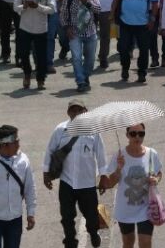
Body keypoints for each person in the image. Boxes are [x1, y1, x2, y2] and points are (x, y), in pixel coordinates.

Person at [43, 100, 110, 248]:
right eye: (72, 110)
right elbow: (49, 151)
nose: (75, 113)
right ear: (68, 113)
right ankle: (70, 242)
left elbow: (101, 155)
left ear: (85, 111)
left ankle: (93, 233)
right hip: (67, 182)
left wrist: (104, 176)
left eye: (79, 110)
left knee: (91, 216)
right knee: (67, 217)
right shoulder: (60, 130)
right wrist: (45, 173)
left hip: (87, 183)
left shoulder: (94, 131)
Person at [106, 122, 162, 248]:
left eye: (141, 134)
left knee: (145, 243)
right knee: (128, 243)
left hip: (147, 208)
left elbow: (159, 173)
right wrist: (119, 169)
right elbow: (110, 183)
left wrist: (156, 179)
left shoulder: (151, 153)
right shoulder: (119, 155)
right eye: (133, 134)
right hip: (125, 210)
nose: (137, 137)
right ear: (127, 135)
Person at [112, 0, 160, 84]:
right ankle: (125, 68)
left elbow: (155, 3)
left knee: (144, 50)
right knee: (123, 48)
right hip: (125, 23)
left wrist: (153, 19)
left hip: (143, 24)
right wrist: (112, 15)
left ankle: (142, 72)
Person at [15, 0, 56, 90]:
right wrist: (24, 6)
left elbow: (52, 9)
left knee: (41, 56)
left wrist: (38, 7)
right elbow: (15, 6)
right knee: (23, 54)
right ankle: (27, 74)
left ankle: (40, 79)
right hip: (25, 27)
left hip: (40, 28)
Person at [60, 0, 100, 92]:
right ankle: (80, 81)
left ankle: (85, 75)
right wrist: (67, 28)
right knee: (76, 57)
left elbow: (98, 9)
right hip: (75, 33)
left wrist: (87, 2)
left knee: (90, 59)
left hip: (90, 32)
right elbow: (62, 16)